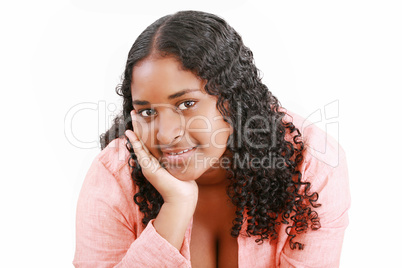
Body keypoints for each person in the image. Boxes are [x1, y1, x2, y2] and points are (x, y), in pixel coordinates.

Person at [73, 10, 351, 267]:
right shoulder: (115, 174)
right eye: (147, 111)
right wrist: (175, 209)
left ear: (232, 98)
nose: (166, 134)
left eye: (186, 104)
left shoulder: (311, 166)